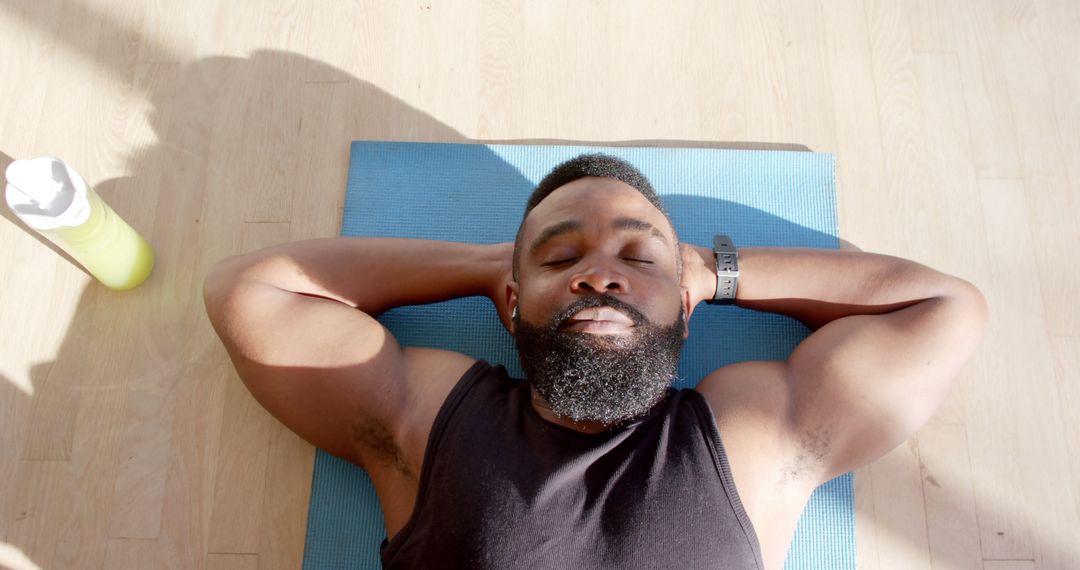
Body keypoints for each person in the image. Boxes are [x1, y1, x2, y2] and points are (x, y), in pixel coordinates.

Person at [202, 154, 987, 569]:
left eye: (637, 256)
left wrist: (716, 272)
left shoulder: (752, 437)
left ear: (683, 301)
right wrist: (488, 264)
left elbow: (942, 310)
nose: (600, 274)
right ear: (510, 303)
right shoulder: (432, 423)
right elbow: (250, 291)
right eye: (562, 257)